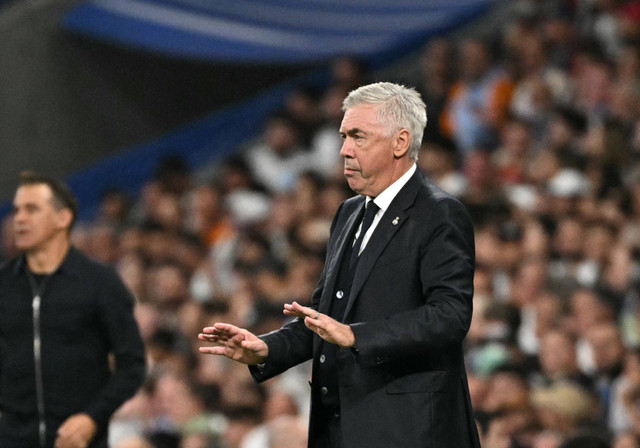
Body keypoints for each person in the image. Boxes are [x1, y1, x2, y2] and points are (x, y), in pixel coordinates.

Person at [199, 82, 481, 447]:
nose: (344, 150)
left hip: (408, 431)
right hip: (341, 427)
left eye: (358, 137)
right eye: (344, 136)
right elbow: (326, 316)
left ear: (400, 142)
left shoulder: (438, 214)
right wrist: (268, 348)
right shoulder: (349, 213)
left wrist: (357, 335)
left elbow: (450, 316)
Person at [0, 172, 146, 448]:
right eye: (17, 209)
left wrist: (93, 417)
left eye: (32, 209)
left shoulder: (100, 283)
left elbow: (132, 365)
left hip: (78, 440)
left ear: (62, 218)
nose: (18, 218)